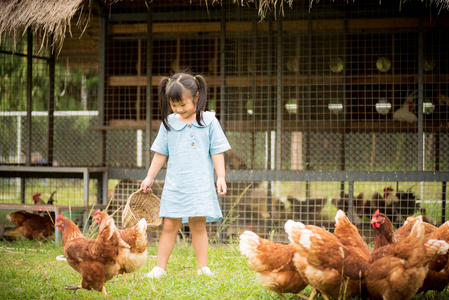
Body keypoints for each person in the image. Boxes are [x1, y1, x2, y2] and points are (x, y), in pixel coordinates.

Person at [142, 72, 231, 279]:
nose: (179, 110)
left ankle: (203, 268)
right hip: (175, 185)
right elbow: (160, 153)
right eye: (174, 105)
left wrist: (221, 177)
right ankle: (160, 269)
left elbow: (217, 150)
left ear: (197, 97)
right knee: (170, 225)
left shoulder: (209, 121)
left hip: (200, 185)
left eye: (183, 105)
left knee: (198, 225)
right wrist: (149, 177)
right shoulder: (169, 123)